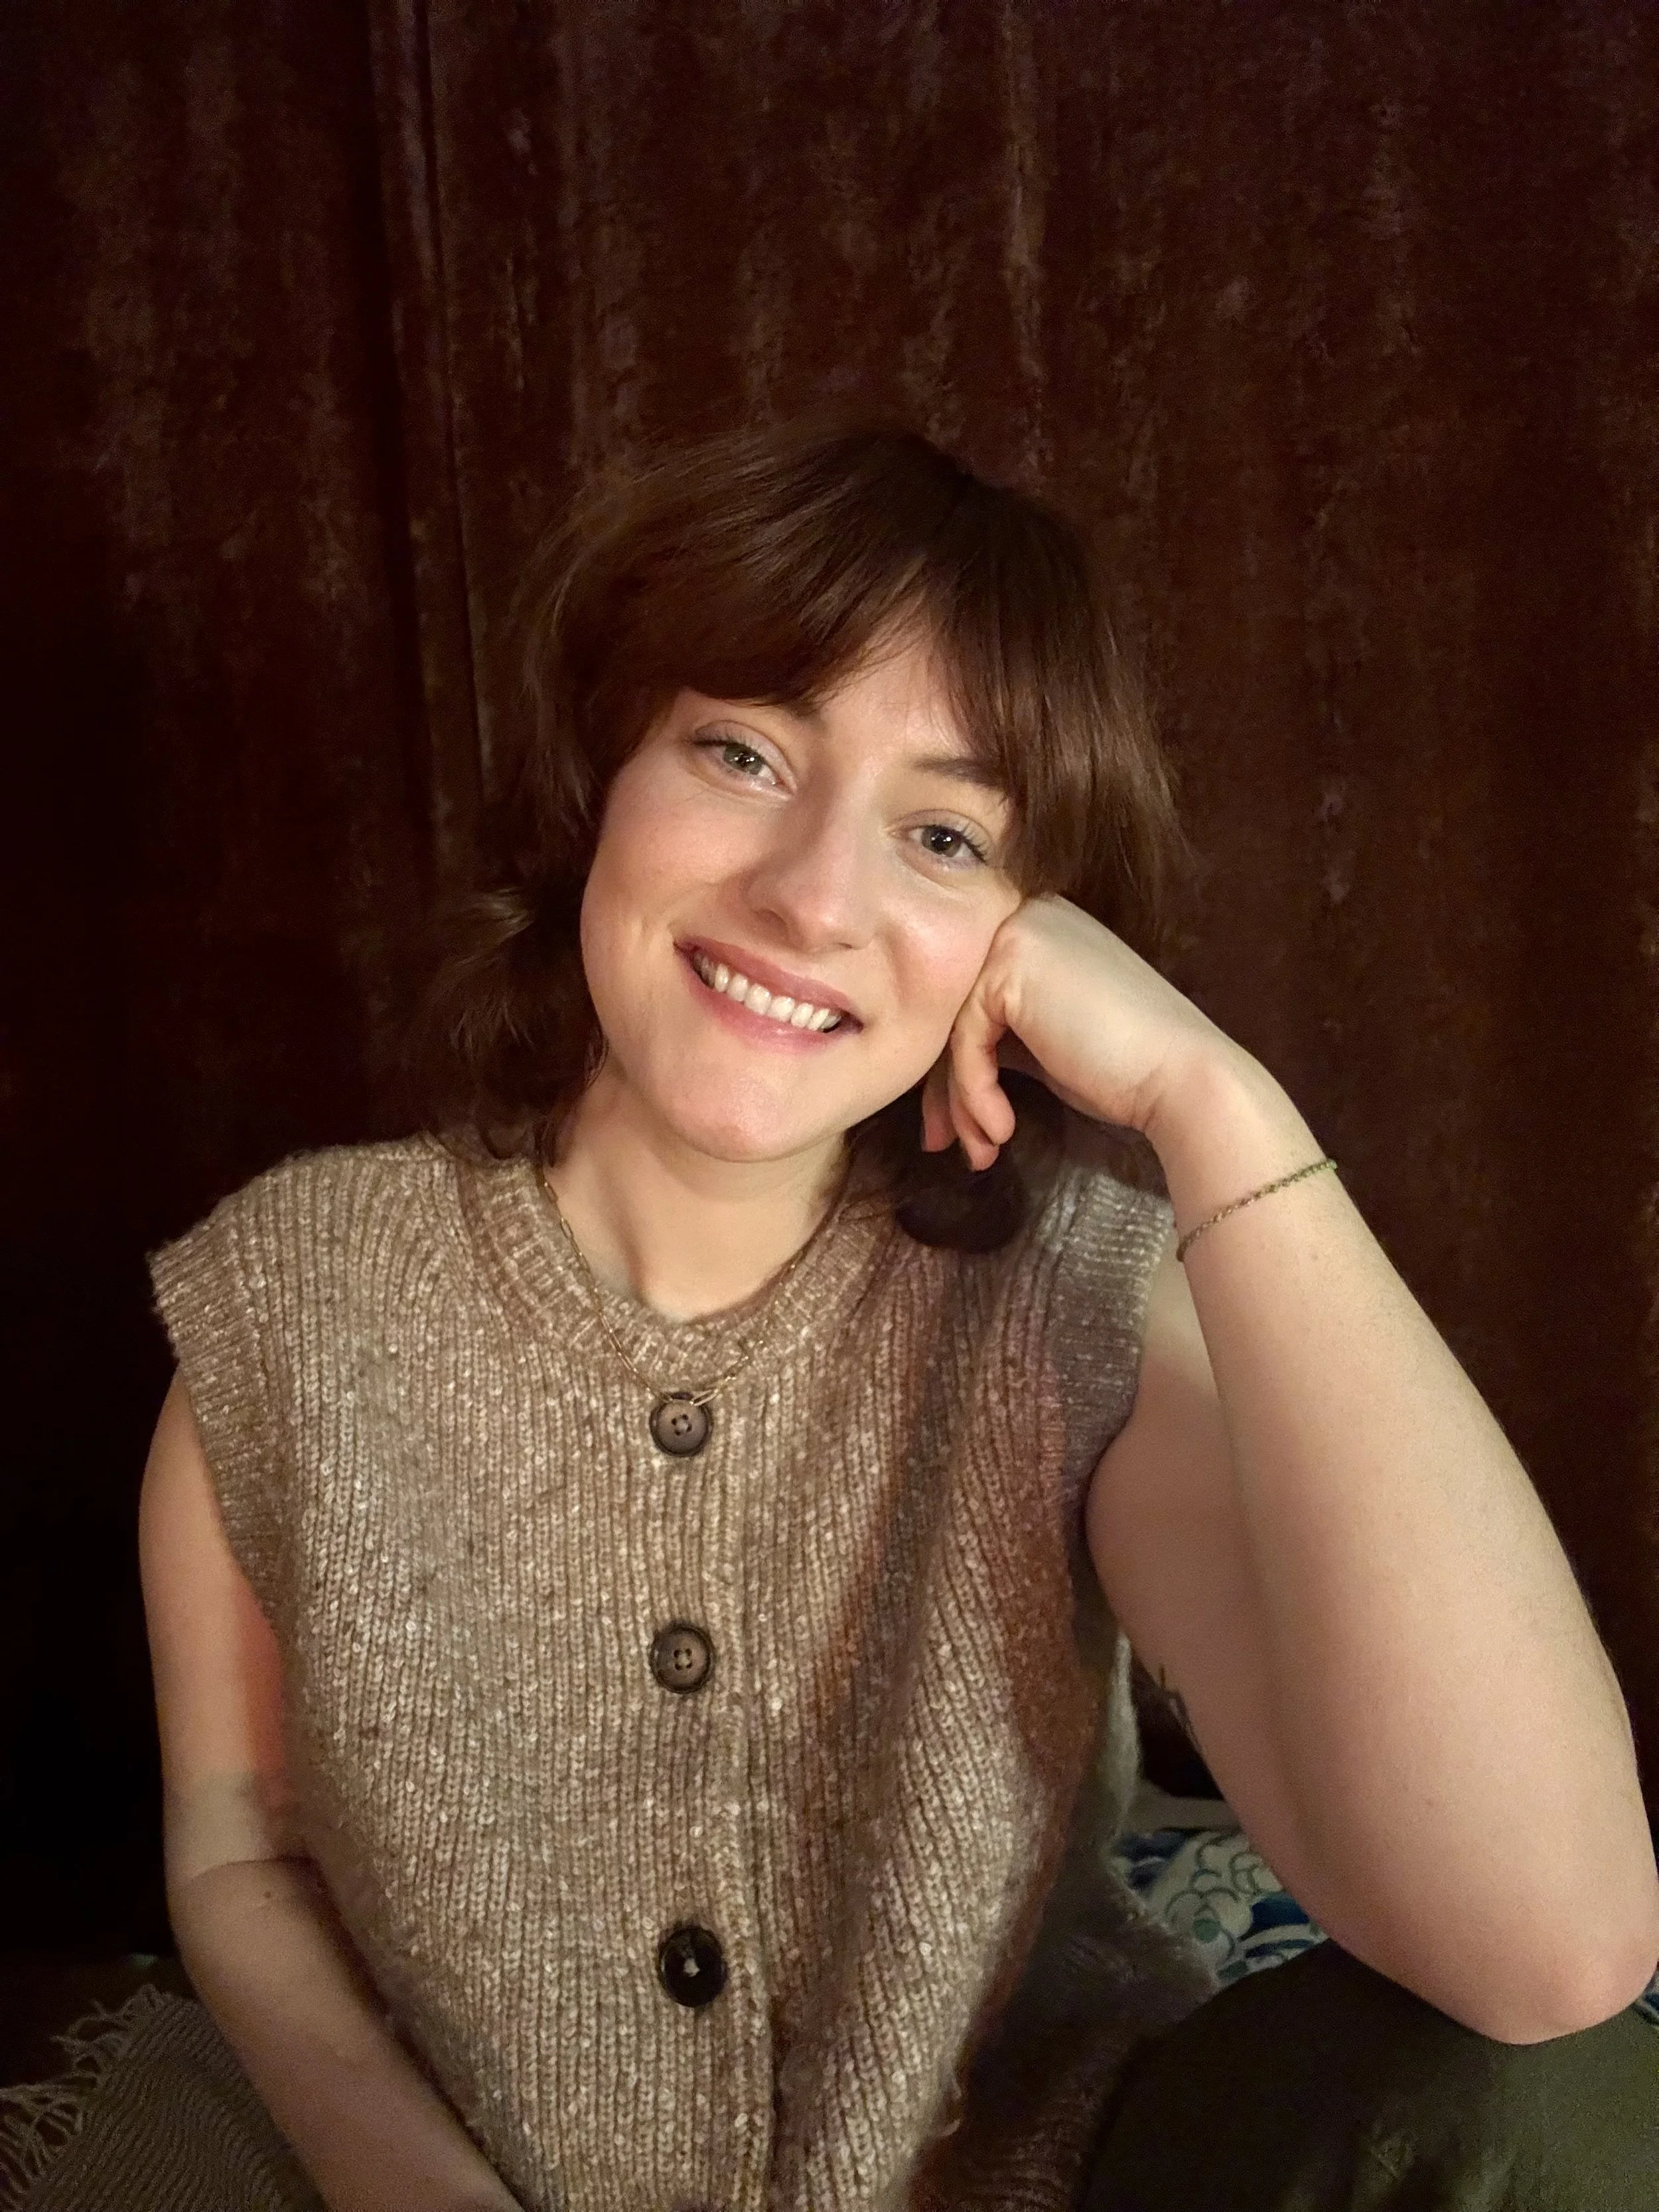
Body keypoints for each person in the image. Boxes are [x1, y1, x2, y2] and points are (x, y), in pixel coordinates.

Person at [133, 411, 1658, 2212]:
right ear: (598, 776)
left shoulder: (1073, 1312)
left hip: (1050, 2174)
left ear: (1029, 932)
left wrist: (1216, 1106)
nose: (812, 897)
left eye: (943, 834)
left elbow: (1542, 1952)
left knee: (1544, 2109)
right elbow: (245, 1841)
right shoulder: (289, 1302)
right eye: (739, 751)